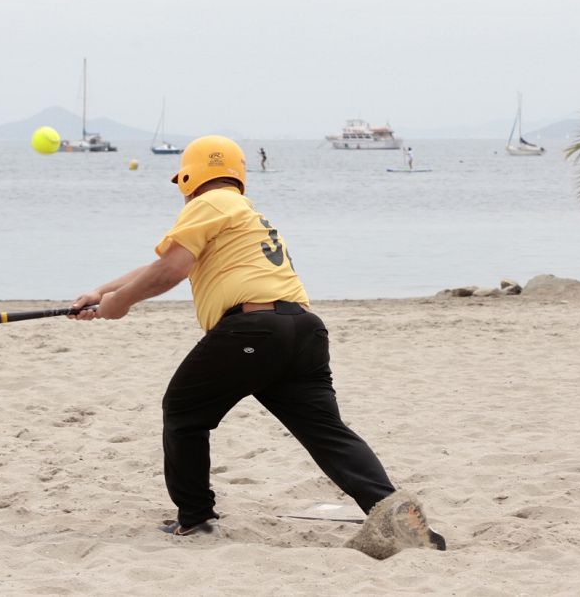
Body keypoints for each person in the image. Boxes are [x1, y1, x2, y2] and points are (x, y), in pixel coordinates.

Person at [70, 135, 444, 548]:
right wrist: (101, 292)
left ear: (191, 177)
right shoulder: (244, 213)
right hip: (304, 330)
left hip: (253, 330)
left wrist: (119, 304)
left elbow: (171, 269)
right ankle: (392, 511)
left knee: (183, 412)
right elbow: (165, 263)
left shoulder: (207, 204)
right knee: (327, 432)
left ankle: (196, 519)